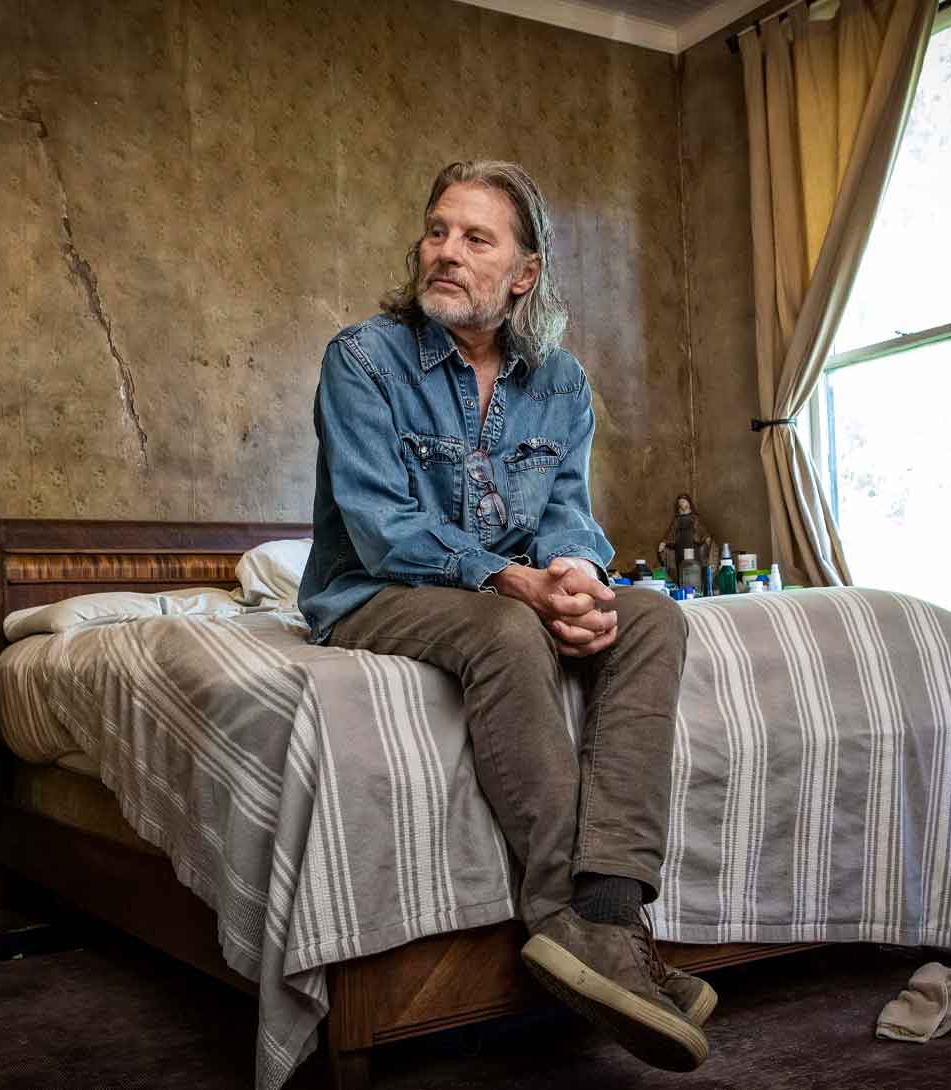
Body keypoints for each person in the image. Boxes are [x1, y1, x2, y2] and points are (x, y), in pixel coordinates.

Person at [297, 160, 714, 1072]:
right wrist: (513, 585)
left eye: (474, 238)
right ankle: (568, 915)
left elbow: (568, 508)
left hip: (510, 588)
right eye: (437, 231)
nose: (444, 251)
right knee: (501, 626)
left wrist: (575, 576)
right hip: (371, 593)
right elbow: (379, 527)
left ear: (523, 274)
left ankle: (610, 907)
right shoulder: (362, 358)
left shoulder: (558, 380)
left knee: (653, 619)